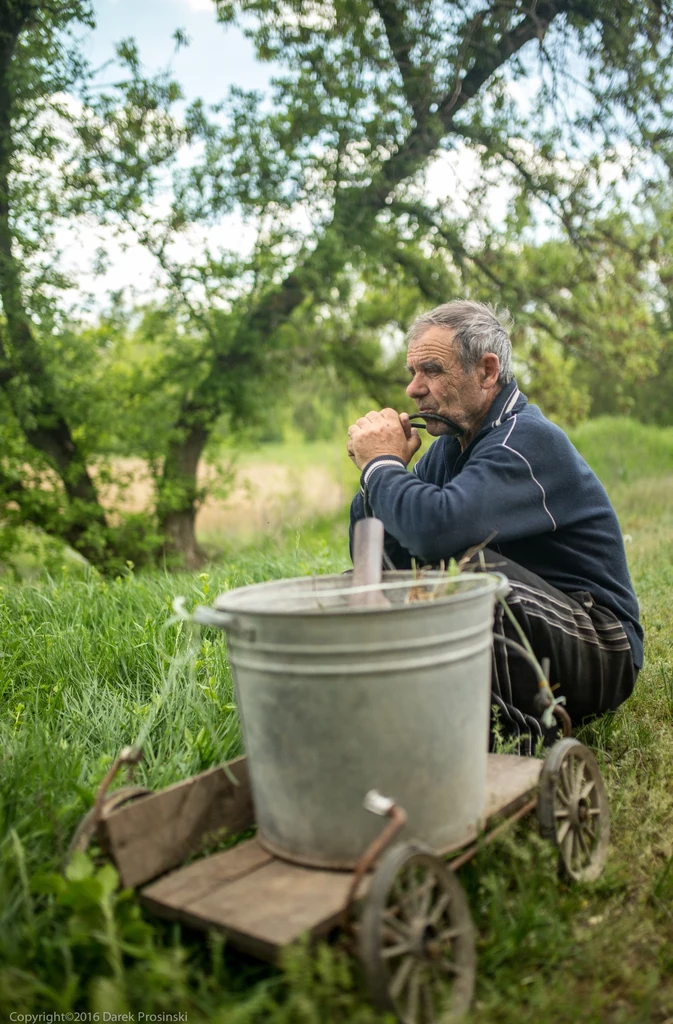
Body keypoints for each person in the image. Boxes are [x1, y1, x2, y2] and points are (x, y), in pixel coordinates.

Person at [347, 300, 642, 752]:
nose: (413, 389)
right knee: (369, 584)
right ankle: (396, 719)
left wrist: (382, 468)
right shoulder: (453, 444)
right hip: (537, 628)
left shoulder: (525, 441)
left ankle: (514, 737)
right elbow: (379, 555)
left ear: (487, 372)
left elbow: (436, 531)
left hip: (600, 644)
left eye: (431, 370)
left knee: (471, 576)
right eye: (412, 371)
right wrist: (379, 476)